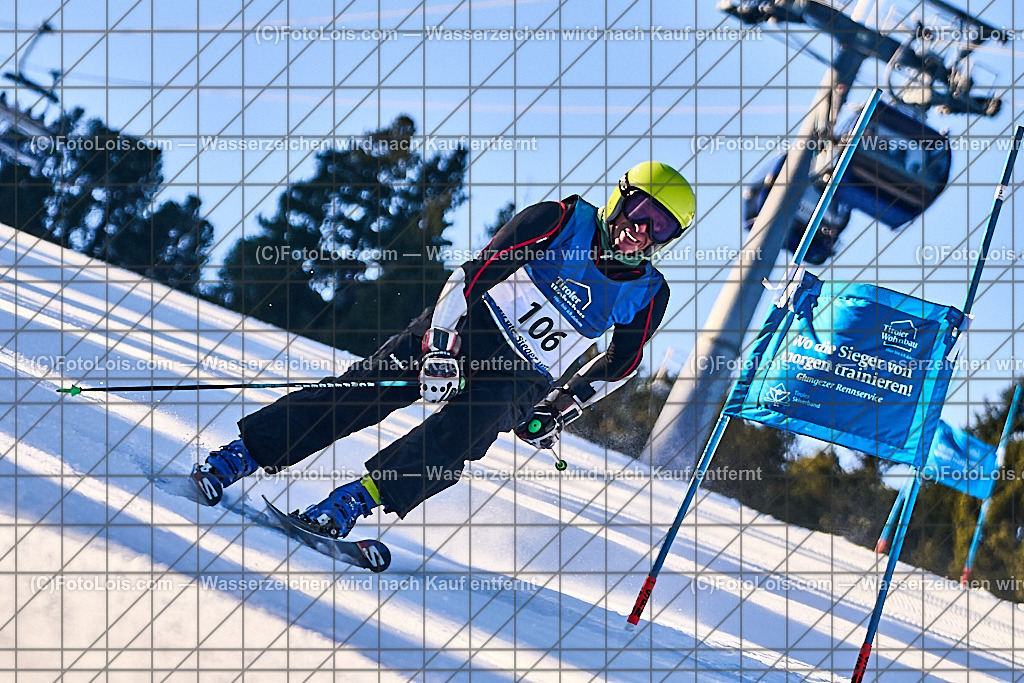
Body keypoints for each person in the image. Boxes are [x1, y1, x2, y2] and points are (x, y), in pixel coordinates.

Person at [190, 161, 696, 540]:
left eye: (661, 227)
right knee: (365, 390)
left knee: (464, 431)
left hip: (520, 379)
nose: (642, 230)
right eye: (641, 211)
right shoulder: (561, 220)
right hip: (466, 328)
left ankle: (350, 504)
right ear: (621, 198)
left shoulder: (649, 292)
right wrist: (440, 346)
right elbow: (472, 274)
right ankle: (242, 455)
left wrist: (557, 411)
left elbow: (620, 366)